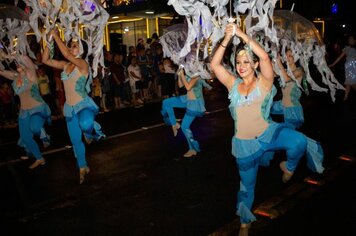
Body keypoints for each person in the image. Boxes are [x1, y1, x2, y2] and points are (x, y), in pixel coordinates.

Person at [210, 23, 324, 236]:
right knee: (247, 187)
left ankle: (288, 167)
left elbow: (264, 57)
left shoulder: (265, 82)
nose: (241, 65)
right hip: (245, 146)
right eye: (238, 62)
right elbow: (215, 65)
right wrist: (226, 38)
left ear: (254, 65)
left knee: (298, 141)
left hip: (268, 134)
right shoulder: (232, 84)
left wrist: (241, 34)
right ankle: (245, 222)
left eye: (246, 61)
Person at [42, 29, 105, 184]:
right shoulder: (65, 66)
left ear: (82, 50)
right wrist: (49, 40)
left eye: (75, 46)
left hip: (83, 104)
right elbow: (45, 60)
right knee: (76, 141)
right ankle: (82, 166)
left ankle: (90, 134)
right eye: (70, 45)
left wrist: (57, 35)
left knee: (86, 124)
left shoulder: (83, 64)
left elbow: (68, 55)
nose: (71, 48)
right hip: (69, 108)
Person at [0, 55, 51, 169]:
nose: (17, 63)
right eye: (16, 62)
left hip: (37, 109)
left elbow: (27, 60)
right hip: (24, 112)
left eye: (19, 62)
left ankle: (44, 135)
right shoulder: (16, 77)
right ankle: (39, 158)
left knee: (35, 127)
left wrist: (9, 55)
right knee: (25, 137)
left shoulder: (31, 74)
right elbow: (2, 72)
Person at [161, 65, 212, 157]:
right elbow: (181, 85)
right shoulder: (189, 74)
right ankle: (174, 124)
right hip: (187, 99)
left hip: (195, 103)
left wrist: (183, 75)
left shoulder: (197, 75)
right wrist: (180, 75)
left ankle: (192, 149)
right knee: (166, 102)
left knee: (184, 126)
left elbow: (188, 87)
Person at [270, 51, 306, 129]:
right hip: (283, 105)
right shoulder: (285, 71)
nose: (287, 57)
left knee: (291, 137)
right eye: (286, 55)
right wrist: (273, 60)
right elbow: (271, 74)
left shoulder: (299, 71)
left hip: (293, 109)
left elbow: (286, 78)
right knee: (264, 107)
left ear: (295, 58)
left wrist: (279, 64)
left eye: (290, 55)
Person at [329, 35, 356, 101]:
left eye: (351, 38)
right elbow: (339, 57)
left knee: (352, 82)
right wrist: (333, 64)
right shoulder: (346, 48)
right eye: (349, 39)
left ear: (355, 40)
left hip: (354, 66)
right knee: (349, 81)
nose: (349, 40)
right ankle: (346, 96)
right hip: (348, 67)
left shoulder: (355, 48)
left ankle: (346, 96)